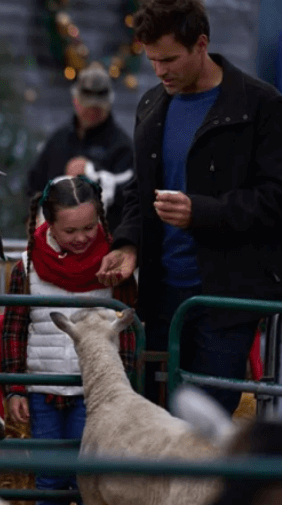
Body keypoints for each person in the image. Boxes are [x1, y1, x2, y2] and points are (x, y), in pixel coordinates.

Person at [97, 0, 282, 415]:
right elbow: (138, 194)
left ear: (201, 44)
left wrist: (202, 212)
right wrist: (127, 245)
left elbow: (275, 199)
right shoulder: (151, 106)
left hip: (227, 300)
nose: (160, 71)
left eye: (169, 59)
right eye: (152, 60)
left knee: (203, 424)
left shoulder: (260, 105)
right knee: (150, 421)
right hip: (161, 299)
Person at [0, 175, 137, 505]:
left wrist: (126, 385)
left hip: (94, 391)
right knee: (49, 477)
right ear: (50, 224)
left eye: (89, 228)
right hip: (43, 390)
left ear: (100, 219)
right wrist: (15, 387)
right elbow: (14, 329)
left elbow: (128, 330)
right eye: (70, 231)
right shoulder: (27, 267)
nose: (81, 238)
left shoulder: (115, 266)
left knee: (86, 476)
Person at [26, 63, 134, 232]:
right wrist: (32, 218)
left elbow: (130, 197)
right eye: (87, 105)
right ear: (75, 100)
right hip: (53, 238)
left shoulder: (122, 146)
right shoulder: (59, 139)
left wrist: (93, 172)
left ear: (109, 103)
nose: (92, 111)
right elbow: (34, 183)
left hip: (101, 240)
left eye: (98, 107)